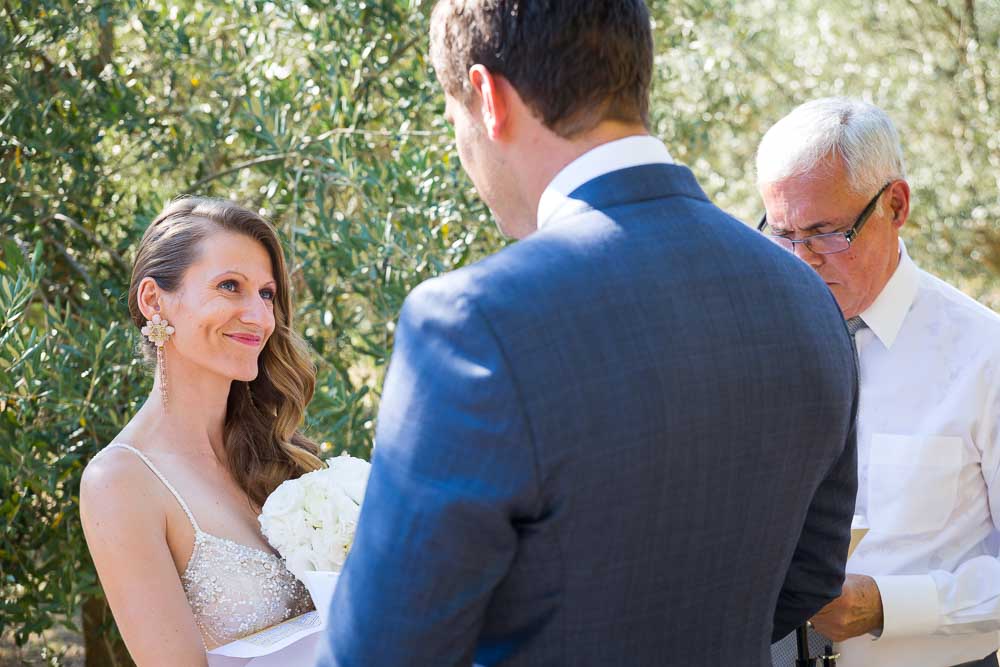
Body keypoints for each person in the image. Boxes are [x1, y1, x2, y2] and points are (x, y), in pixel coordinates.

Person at [315, 2, 858, 666]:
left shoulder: (475, 322)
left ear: (488, 98)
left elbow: (381, 653)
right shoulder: (806, 297)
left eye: (451, 114)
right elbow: (808, 579)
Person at [757, 97, 1000, 667]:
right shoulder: (754, 350)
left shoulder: (987, 355)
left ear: (895, 204)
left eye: (826, 234)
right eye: (783, 233)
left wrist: (888, 605)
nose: (801, 260)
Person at [79, 197, 321, 664]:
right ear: (154, 301)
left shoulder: (281, 458)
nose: (260, 317)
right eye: (230, 286)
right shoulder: (121, 482)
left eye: (267, 293)